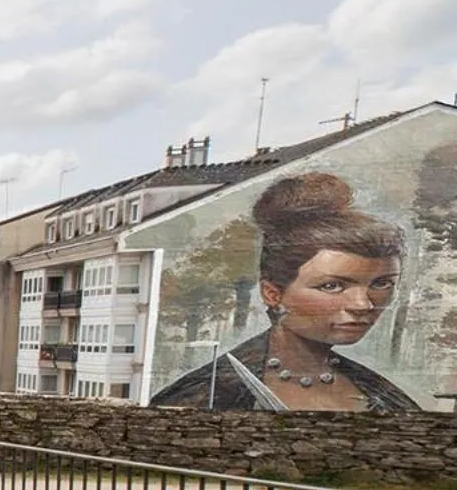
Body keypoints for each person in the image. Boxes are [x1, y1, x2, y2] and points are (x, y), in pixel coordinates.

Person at [151, 172, 416, 412]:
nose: (363, 305)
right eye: (332, 286)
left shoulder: (385, 398)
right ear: (272, 294)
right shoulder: (203, 395)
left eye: (381, 284)